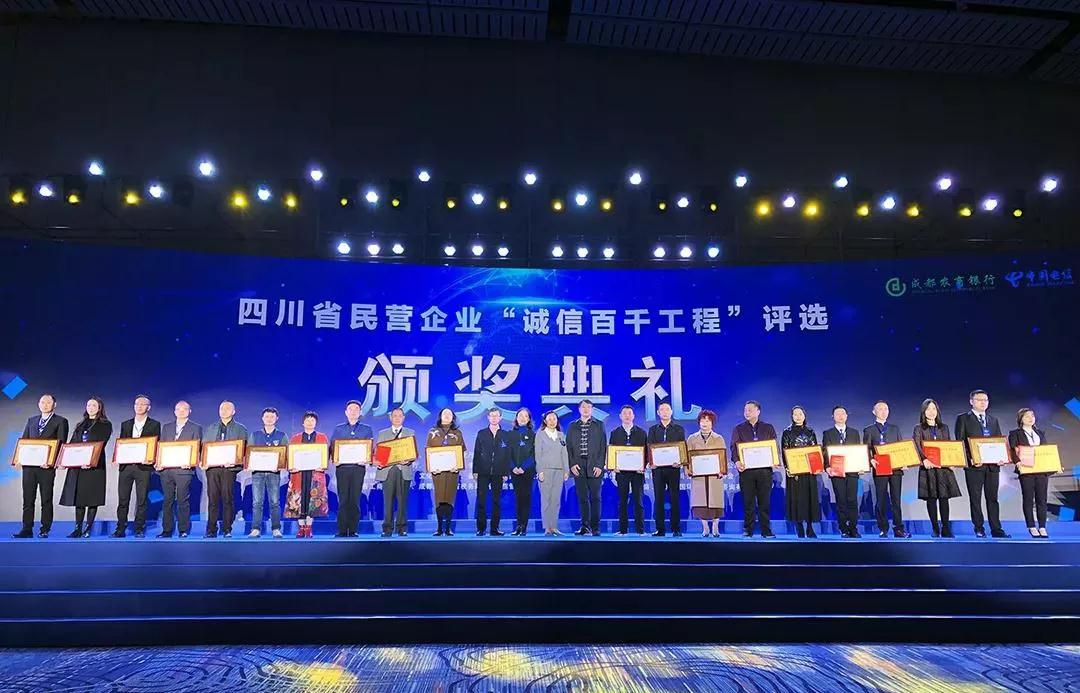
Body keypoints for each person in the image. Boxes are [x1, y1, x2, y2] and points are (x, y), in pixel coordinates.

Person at [13, 394, 69, 539]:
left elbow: (61, 444)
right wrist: (19, 458)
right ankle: (27, 529)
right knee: (28, 499)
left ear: (54, 405)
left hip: (46, 467)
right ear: (38, 404)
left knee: (46, 499)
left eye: (48, 402)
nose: (45, 405)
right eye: (42, 402)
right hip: (29, 467)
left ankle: (45, 529)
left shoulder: (61, 421)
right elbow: (24, 441)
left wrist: (52, 462)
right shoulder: (31, 420)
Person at [955, 389, 1010, 538]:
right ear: (971, 401)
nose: (983, 402)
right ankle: (979, 528)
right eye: (979, 400)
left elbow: (999, 441)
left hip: (992, 467)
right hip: (974, 466)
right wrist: (970, 459)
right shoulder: (963, 418)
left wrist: (1002, 457)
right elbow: (960, 443)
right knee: (975, 498)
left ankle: (996, 529)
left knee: (993, 499)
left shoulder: (993, 420)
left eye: (985, 400)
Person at [60, 396, 113, 538]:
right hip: (78, 466)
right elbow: (72, 444)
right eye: (89, 405)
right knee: (79, 498)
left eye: (94, 405)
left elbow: (101, 444)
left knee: (92, 497)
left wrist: (89, 460)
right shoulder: (80, 424)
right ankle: (77, 528)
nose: (91, 408)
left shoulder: (105, 425)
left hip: (94, 466)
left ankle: (88, 528)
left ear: (100, 408)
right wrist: (65, 461)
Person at [113, 395, 161, 538]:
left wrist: (151, 459)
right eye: (137, 404)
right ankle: (120, 528)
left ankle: (139, 528)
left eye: (143, 404)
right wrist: (118, 457)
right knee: (123, 499)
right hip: (126, 467)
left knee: (142, 499)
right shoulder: (126, 424)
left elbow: (155, 445)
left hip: (144, 468)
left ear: (148, 407)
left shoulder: (154, 424)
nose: (139, 406)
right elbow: (122, 444)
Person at [913, 398, 961, 538]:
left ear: (937, 411)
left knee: (944, 498)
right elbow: (916, 445)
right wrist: (924, 459)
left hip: (942, 468)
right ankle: (935, 528)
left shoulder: (944, 427)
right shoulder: (918, 428)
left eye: (934, 409)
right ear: (924, 412)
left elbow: (949, 446)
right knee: (931, 498)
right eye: (928, 409)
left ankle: (946, 528)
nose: (931, 412)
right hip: (928, 468)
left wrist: (952, 461)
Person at [730, 400, 778, 538]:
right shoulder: (739, 429)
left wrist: (775, 460)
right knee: (748, 501)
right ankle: (748, 529)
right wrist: (737, 461)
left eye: (750, 410)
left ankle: (766, 530)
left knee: (765, 502)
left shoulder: (768, 428)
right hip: (747, 471)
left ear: (758, 411)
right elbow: (734, 447)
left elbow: (774, 446)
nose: (747, 412)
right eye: (745, 410)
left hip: (764, 471)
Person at [202, 401, 249, 538]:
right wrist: (204, 461)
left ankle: (227, 529)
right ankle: (211, 529)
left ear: (234, 411)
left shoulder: (240, 429)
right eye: (222, 408)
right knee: (212, 499)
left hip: (229, 469)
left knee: (228, 499)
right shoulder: (211, 428)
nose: (224, 410)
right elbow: (204, 448)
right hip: (212, 469)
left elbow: (244, 450)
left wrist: (235, 462)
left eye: (228, 408)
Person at [863, 400, 909, 538]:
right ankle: (883, 528)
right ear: (874, 412)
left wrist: (904, 461)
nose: (884, 411)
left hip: (896, 469)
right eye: (880, 409)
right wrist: (870, 460)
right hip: (880, 468)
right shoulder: (869, 430)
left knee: (896, 499)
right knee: (881, 499)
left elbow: (900, 448)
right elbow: (866, 449)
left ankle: (898, 528)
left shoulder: (895, 428)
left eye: (886, 409)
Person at [158, 401, 202, 538]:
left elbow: (197, 448)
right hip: (167, 470)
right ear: (174, 411)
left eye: (185, 409)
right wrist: (159, 462)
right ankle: (167, 530)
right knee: (167, 500)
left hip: (184, 470)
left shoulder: (196, 427)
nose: (181, 411)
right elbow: (161, 447)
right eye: (178, 409)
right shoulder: (167, 427)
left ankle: (183, 530)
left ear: (190, 411)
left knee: (183, 500)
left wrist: (192, 462)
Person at [330, 400, 373, 537]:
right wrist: (334, 459)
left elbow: (370, 449)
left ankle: (353, 529)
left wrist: (367, 459)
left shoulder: (366, 429)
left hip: (358, 468)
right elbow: (332, 447)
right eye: (350, 409)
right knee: (343, 499)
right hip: (342, 468)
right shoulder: (338, 429)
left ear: (360, 412)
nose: (353, 411)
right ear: (346, 412)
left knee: (355, 499)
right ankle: (342, 530)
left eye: (356, 409)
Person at [567, 399, 607, 536]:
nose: (586, 409)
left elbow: (603, 447)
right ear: (579, 409)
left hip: (594, 465)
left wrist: (599, 465)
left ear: (592, 409)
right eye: (583, 407)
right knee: (582, 497)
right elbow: (569, 447)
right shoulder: (573, 426)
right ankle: (585, 526)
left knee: (596, 497)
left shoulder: (599, 425)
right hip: (578, 465)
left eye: (589, 407)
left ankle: (595, 528)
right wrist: (572, 464)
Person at [1009, 408, 1051, 538]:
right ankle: (1031, 526)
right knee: (1028, 498)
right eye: (1027, 416)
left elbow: (1046, 451)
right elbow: (1012, 451)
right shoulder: (1015, 433)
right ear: (1021, 419)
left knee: (1042, 499)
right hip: (1026, 470)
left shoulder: (1040, 433)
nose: (1030, 418)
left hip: (1041, 470)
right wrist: (1017, 462)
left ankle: (1042, 526)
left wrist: (1053, 464)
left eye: (1032, 416)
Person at [821, 405, 862, 538]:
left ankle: (853, 528)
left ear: (847, 416)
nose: (840, 416)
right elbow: (825, 452)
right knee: (841, 500)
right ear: (833, 416)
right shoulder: (828, 433)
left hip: (852, 471)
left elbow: (858, 451)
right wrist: (827, 466)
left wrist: (861, 465)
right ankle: (843, 528)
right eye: (837, 414)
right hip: (836, 471)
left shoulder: (854, 432)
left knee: (852, 500)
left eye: (843, 413)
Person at [780, 406, 820, 539]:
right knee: (797, 498)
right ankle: (799, 527)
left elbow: (814, 450)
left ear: (804, 415)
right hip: (794, 471)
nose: (798, 416)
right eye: (795, 414)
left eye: (800, 414)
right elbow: (785, 451)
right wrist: (788, 468)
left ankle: (810, 527)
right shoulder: (787, 432)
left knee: (809, 498)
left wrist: (816, 466)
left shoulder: (810, 431)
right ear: (792, 416)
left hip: (808, 470)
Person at [287, 412, 329, 538]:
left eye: (312, 420)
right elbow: (290, 455)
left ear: (316, 423)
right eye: (307, 420)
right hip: (298, 473)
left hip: (315, 473)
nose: (310, 422)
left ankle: (309, 527)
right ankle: (301, 527)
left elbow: (326, 454)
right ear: (303, 422)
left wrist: (323, 465)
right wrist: (291, 466)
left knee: (312, 499)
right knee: (299, 499)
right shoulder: (295, 438)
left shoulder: (322, 437)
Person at [472, 407, 512, 536]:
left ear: (500, 418)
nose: (494, 418)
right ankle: (481, 528)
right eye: (492, 416)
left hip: (499, 472)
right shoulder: (481, 433)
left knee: (496, 501)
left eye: (496, 416)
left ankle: (495, 529)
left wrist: (506, 472)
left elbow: (507, 455)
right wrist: (475, 470)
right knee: (482, 500)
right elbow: (477, 452)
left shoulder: (505, 434)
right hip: (483, 471)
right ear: (488, 418)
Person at [248, 407, 287, 538]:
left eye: (272, 417)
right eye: (267, 416)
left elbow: (285, 455)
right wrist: (250, 464)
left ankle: (276, 528)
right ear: (262, 418)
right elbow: (249, 453)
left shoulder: (282, 435)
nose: (269, 419)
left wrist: (280, 465)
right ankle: (255, 529)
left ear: (276, 418)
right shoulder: (254, 435)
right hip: (257, 473)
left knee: (274, 502)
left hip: (274, 473)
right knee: (257, 502)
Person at [647, 402, 685, 537]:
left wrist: (680, 461)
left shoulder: (678, 429)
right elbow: (649, 447)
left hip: (673, 468)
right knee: (659, 498)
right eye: (662, 409)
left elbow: (682, 447)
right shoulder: (653, 430)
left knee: (674, 498)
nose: (665, 412)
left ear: (671, 412)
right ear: (658, 413)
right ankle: (660, 529)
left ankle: (676, 528)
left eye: (667, 409)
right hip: (657, 469)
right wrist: (651, 462)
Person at [376, 407, 416, 537]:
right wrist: (380, 461)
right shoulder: (383, 433)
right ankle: (387, 528)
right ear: (390, 418)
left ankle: (402, 528)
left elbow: (413, 453)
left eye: (400, 416)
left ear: (403, 418)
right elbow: (379, 455)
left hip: (403, 470)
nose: (397, 418)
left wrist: (409, 460)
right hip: (388, 471)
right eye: (395, 416)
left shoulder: (410, 432)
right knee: (388, 501)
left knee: (402, 501)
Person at [426, 407, 466, 536]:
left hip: (452, 471)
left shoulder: (457, 432)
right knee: (439, 497)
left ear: (453, 417)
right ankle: (439, 528)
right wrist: (432, 467)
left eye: (449, 414)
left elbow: (461, 451)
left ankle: (448, 528)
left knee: (449, 498)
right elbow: (428, 451)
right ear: (440, 416)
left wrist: (458, 466)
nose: (447, 415)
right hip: (437, 471)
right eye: (444, 413)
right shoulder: (433, 431)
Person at [687, 409, 727, 537]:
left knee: (715, 502)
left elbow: (723, 457)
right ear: (699, 422)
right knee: (700, 503)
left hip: (714, 476)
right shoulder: (692, 438)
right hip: (698, 476)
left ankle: (715, 526)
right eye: (702, 420)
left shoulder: (719, 438)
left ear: (712, 423)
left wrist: (722, 470)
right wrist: (688, 470)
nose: (705, 423)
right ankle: (705, 528)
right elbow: (687, 457)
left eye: (708, 421)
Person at [610, 405, 648, 536]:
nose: (627, 415)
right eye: (625, 413)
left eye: (629, 413)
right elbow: (612, 452)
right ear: (620, 416)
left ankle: (640, 530)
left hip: (637, 473)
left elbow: (646, 453)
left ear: (633, 416)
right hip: (621, 472)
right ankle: (623, 530)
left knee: (638, 501)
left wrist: (643, 466)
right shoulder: (615, 433)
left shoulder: (641, 432)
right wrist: (613, 466)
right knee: (622, 501)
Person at [535, 411, 569, 536]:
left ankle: (554, 526)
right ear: (545, 421)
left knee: (556, 500)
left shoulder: (561, 435)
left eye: (554, 419)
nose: (552, 421)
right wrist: (540, 471)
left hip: (559, 470)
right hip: (546, 470)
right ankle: (547, 527)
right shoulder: (540, 434)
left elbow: (564, 453)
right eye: (549, 419)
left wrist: (566, 470)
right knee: (546, 500)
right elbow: (538, 454)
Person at [509, 407, 537, 536]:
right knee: (518, 498)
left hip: (528, 471)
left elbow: (534, 454)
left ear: (529, 419)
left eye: (526, 416)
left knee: (526, 498)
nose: (523, 418)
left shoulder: (533, 435)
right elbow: (507, 453)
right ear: (516, 418)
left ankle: (523, 527)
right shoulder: (510, 434)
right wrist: (513, 467)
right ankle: (518, 526)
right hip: (514, 471)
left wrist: (524, 467)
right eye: (520, 415)